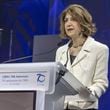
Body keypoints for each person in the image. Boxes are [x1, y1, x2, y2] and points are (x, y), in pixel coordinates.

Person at [55, 4, 109, 110]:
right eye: (66, 20)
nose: (68, 23)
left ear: (83, 23)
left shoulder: (100, 49)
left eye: (74, 19)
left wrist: (90, 91)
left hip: (85, 106)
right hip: (62, 106)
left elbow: (101, 82)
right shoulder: (60, 51)